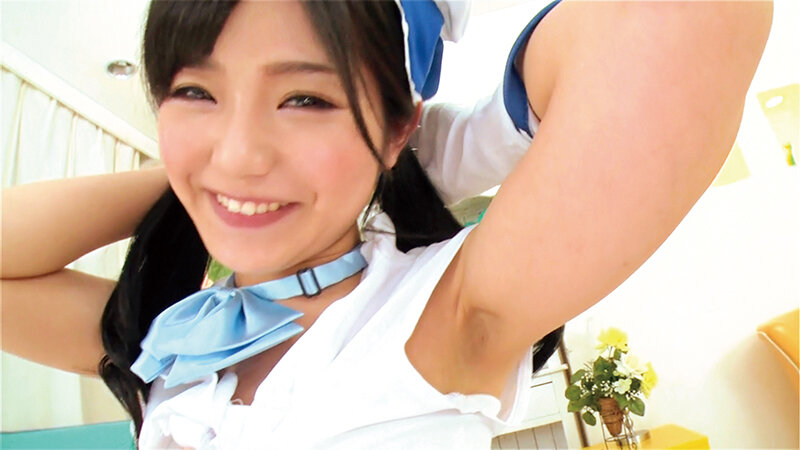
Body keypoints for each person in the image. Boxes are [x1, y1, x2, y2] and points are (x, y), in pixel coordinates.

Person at [0, 0, 771, 448]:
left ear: (401, 126)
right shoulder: (177, 337)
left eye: (305, 99)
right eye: (195, 92)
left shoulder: (436, 313)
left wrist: (447, 151)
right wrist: (188, 176)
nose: (239, 153)